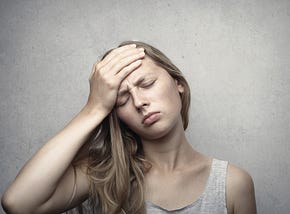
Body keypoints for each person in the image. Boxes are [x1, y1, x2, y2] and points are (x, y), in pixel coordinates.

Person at [1, 41, 256, 214]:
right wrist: (95, 107)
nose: (139, 102)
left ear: (178, 82)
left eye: (147, 83)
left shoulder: (232, 184)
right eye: (121, 99)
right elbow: (18, 203)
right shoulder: (105, 176)